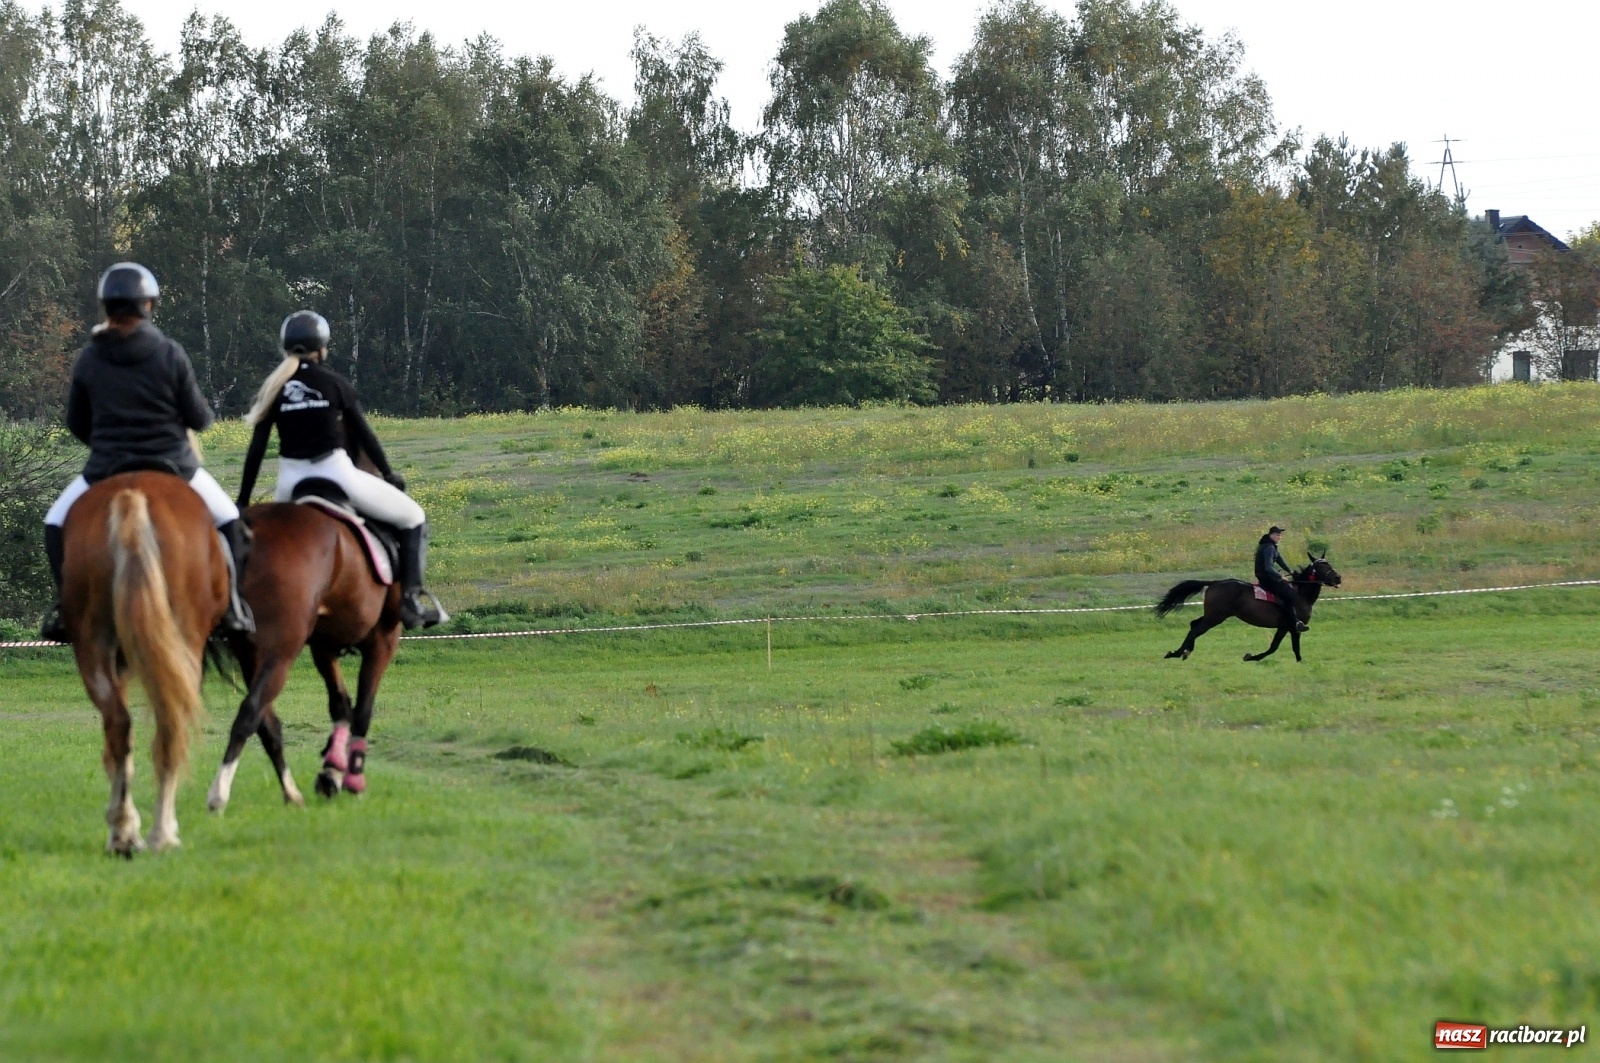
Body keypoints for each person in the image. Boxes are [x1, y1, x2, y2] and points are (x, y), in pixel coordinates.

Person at [40, 263, 254, 642]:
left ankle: (65, 610)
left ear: (106, 307)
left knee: (55, 524)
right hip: (175, 466)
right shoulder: (169, 353)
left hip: (106, 467)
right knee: (232, 523)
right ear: (148, 304)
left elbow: (76, 422)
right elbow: (199, 419)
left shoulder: (89, 358)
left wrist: (108, 444)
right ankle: (234, 608)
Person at [236, 311, 447, 629]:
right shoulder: (335, 383)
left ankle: (237, 605)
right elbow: (365, 436)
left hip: (290, 484)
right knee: (414, 517)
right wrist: (389, 474)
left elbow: (256, 450)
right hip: (337, 475)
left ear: (285, 348)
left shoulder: (275, 389)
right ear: (322, 348)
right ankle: (411, 602)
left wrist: (243, 499)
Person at [1255, 525, 1307, 633]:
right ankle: (1293, 622)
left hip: (1267, 576)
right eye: (1278, 535)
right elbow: (1268, 567)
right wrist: (1280, 576)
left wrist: (1290, 571)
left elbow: (1280, 560)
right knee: (1290, 596)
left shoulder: (1271, 546)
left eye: (1280, 535)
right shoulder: (1269, 547)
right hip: (1267, 578)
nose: (1280, 537)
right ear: (1272, 535)